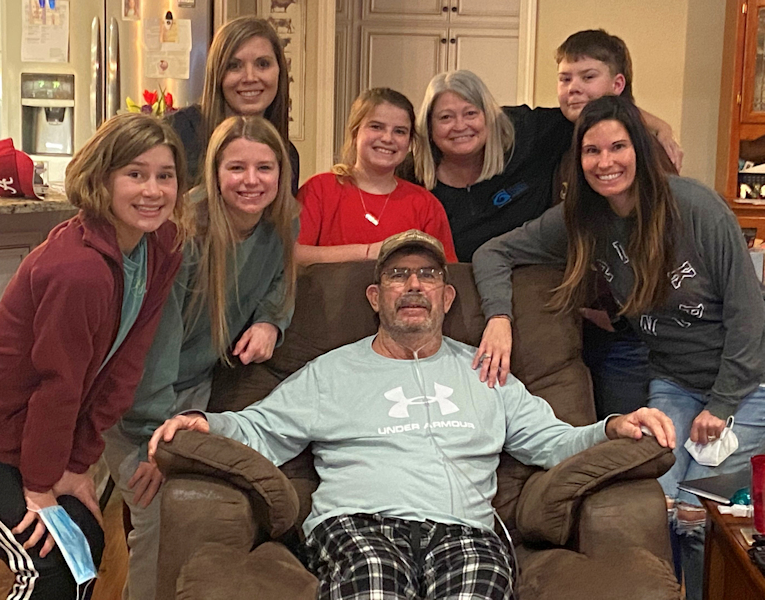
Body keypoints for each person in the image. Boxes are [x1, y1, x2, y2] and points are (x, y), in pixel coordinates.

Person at [149, 229, 676, 600]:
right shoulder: (331, 371)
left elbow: (552, 441)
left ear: (447, 297)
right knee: (374, 584)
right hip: (356, 526)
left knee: (476, 588)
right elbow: (260, 429)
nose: (414, 286)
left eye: (427, 276)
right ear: (376, 297)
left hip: (465, 532)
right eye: (399, 275)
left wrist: (614, 426)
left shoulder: (485, 371)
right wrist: (208, 423)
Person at [472, 95, 765, 600]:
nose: (605, 162)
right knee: (655, 508)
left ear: (639, 150)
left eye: (617, 147)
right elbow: (492, 252)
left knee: (700, 516)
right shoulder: (582, 218)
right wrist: (500, 317)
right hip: (672, 382)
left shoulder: (696, 208)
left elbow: (749, 314)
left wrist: (721, 403)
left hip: (744, 384)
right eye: (591, 151)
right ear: (578, 159)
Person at [0, 112, 187, 600]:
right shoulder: (78, 269)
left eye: (164, 176)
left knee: (84, 540)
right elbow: (58, 386)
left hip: (24, 427)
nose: (152, 190)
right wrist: (42, 484)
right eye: (135, 174)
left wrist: (78, 461)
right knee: (47, 570)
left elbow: (127, 363)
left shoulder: (161, 246)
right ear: (102, 179)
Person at [412, 31, 679, 418]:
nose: (460, 125)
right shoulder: (414, 173)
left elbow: (660, 248)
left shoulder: (533, 136)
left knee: (613, 431)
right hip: (486, 313)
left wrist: (659, 127)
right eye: (565, 78)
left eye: (587, 77)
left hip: (599, 324)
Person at [102, 115, 300, 600]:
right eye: (236, 167)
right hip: (131, 400)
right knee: (158, 512)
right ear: (213, 172)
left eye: (264, 167)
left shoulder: (279, 223)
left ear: (281, 174)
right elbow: (153, 350)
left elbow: (281, 279)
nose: (251, 181)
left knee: (192, 516)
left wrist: (270, 320)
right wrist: (155, 442)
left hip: (194, 393)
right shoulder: (181, 236)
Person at [296, 88, 457, 266]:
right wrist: (368, 252)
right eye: (376, 127)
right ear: (355, 133)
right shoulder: (320, 189)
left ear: (409, 142)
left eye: (400, 131)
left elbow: (444, 272)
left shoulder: (425, 205)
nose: (388, 138)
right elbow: (294, 256)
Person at [167, 15, 300, 194]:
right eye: (234, 66)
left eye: (263, 64)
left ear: (279, 72)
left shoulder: (288, 155)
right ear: (217, 75)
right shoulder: (177, 132)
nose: (250, 77)